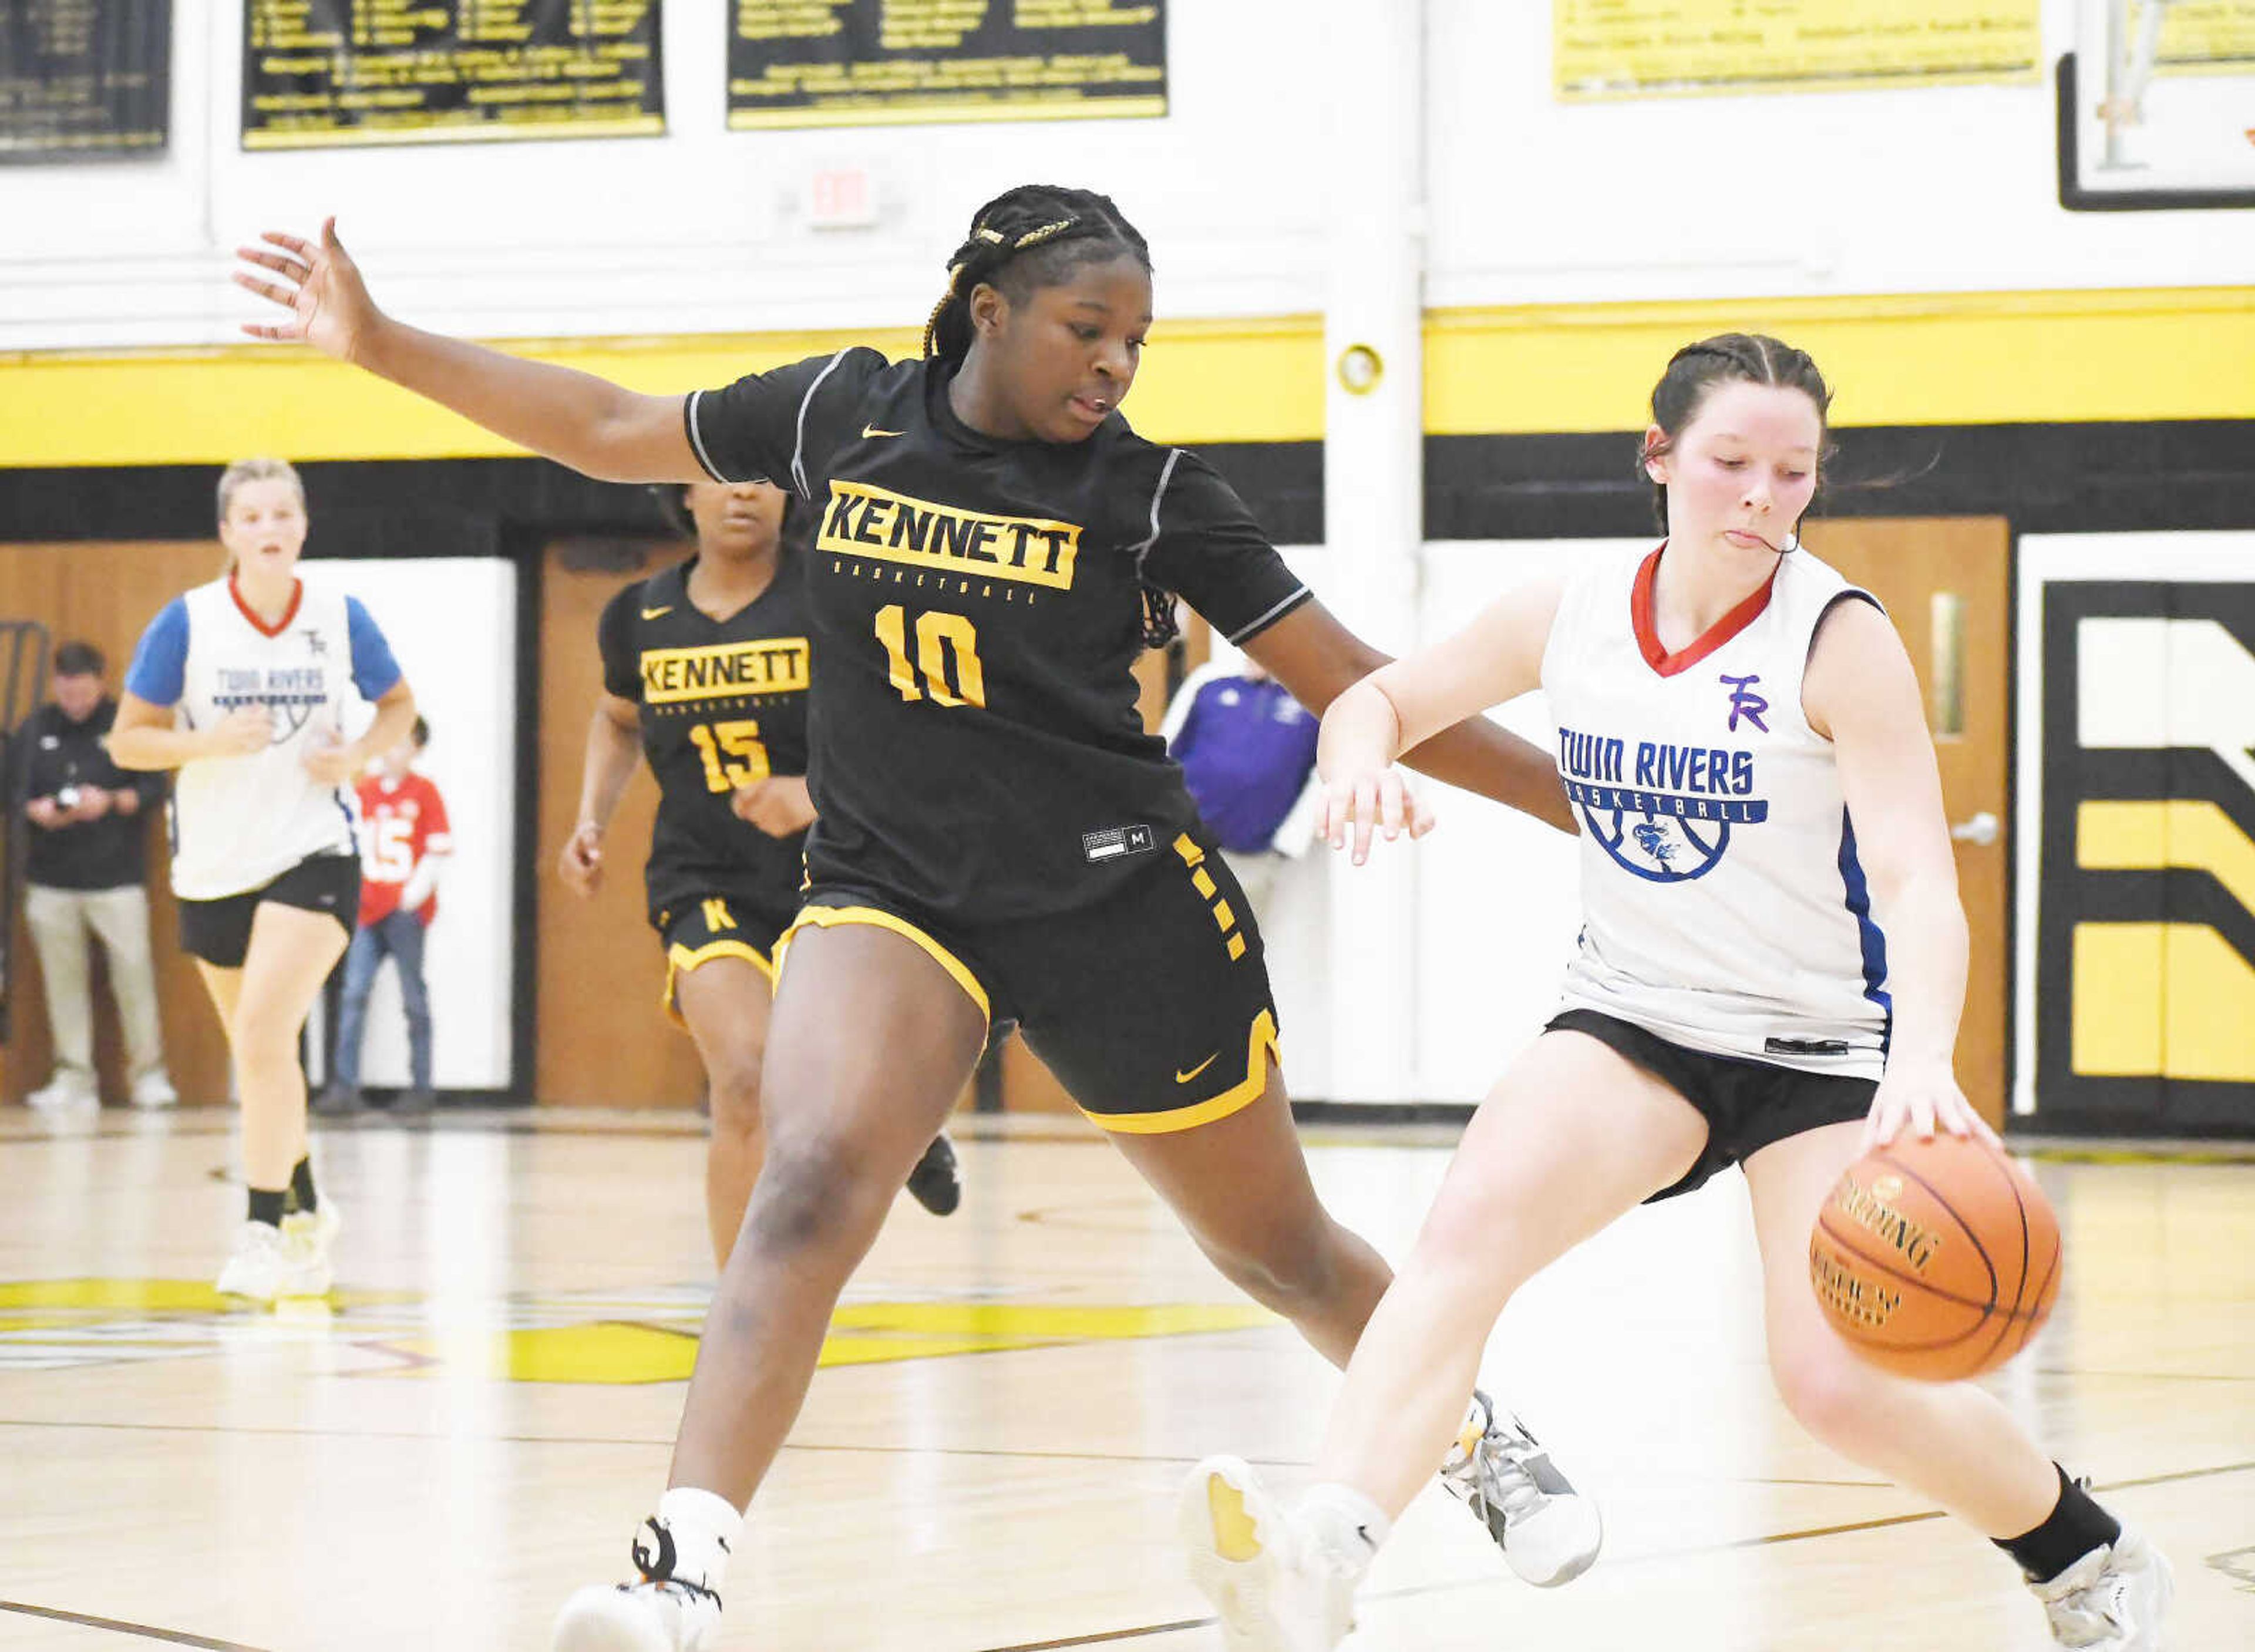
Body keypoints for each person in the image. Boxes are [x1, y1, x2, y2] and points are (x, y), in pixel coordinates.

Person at [233, 188, 1596, 1652]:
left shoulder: (1148, 491)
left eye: (1136, 337)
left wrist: (1587, 805)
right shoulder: (838, 409)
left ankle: (1470, 1433)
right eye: (1088, 326)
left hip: (1114, 896)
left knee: (1279, 1255)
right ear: (987, 306)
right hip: (894, 889)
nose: (1115, 361)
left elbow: (1355, 678)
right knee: (807, 1178)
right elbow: (611, 424)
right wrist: (375, 342)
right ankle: (675, 1573)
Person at [1183, 335, 2173, 1651]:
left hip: (1816, 1049)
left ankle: (2084, 1551)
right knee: (1461, 1239)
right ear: (1658, 459)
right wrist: (1362, 756)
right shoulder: (1573, 606)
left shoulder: (1842, 637)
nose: (1762, 495)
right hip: (1636, 1019)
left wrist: (1923, 1062)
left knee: (1833, 1386)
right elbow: (1381, 695)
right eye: (1731, 463)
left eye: (1793, 470)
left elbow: (1917, 881)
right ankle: (1327, 1550)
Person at [559, 478, 962, 1270]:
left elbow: (915, 728)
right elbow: (618, 718)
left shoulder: (836, 596)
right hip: (704, 878)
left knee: (831, 1084)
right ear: (685, 493)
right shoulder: (638, 616)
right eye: (722, 475)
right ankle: (741, 1313)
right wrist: (589, 819)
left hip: (843, 876)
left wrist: (812, 793)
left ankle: (898, 1117)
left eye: (762, 475)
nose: (743, 491)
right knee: (745, 1073)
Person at [109, 457, 419, 1306]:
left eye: (283, 512)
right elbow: (128, 741)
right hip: (212, 865)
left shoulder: (340, 616)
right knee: (264, 1053)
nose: (270, 527)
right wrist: (204, 744)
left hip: (315, 850)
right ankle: (309, 1202)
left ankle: (259, 1229)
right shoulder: (189, 623)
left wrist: (356, 756)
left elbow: (399, 706)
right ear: (229, 533)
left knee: (260, 1038)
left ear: (304, 526)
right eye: (252, 516)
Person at [13, 640, 176, 1112]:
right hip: (51, 879)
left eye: (83, 692)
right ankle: (74, 1078)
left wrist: (109, 800)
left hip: (116, 877)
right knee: (63, 983)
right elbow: (13, 790)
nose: (75, 702)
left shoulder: (125, 725)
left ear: (100, 683)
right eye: (66, 692)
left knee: (133, 976)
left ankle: (149, 1075)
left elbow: (152, 789)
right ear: (56, 685)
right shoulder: (37, 727)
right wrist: (35, 809)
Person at [321, 715, 450, 1116]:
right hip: (366, 909)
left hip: (405, 912)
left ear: (417, 748)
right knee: (354, 992)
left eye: (402, 743)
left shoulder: (425, 792)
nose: (393, 752)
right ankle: (344, 1086)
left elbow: (438, 847)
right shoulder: (365, 791)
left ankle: (422, 1086)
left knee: (413, 996)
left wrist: (413, 894)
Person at [1161, 651, 1321, 920]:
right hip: (1182, 846)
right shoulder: (1211, 682)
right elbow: (1167, 750)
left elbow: (1323, 777)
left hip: (1251, 861)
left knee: (1233, 953)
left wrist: (1287, 844)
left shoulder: (1310, 702)